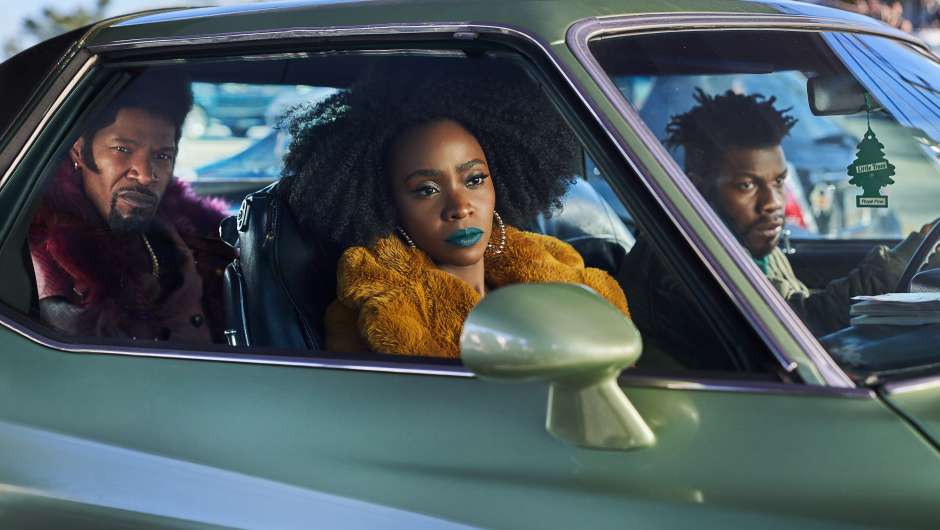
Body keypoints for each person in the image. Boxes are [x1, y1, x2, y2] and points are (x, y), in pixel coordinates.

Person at [280, 65, 630, 358]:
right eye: (426, 190)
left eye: (474, 179)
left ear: (501, 181)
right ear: (388, 204)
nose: (460, 207)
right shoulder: (368, 314)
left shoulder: (558, 269)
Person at [621, 89, 932, 343]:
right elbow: (804, 324)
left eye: (779, 181)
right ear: (696, 187)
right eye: (746, 185)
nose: (772, 203)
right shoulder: (682, 263)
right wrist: (907, 256)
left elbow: (798, 299)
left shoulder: (740, 239)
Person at [28, 71, 234, 343]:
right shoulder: (50, 248)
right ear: (79, 151)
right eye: (123, 150)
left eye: (162, 156)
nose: (147, 175)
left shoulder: (190, 226)